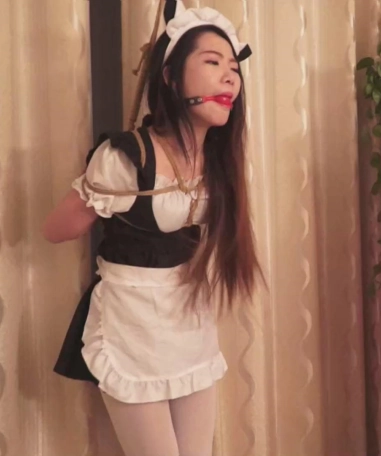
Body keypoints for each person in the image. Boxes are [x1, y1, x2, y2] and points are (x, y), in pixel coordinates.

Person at [41, 2, 260, 455]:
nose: (229, 77)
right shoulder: (127, 158)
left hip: (189, 319)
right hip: (132, 322)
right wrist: (96, 186)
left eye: (234, 68)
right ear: (171, 78)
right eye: (213, 62)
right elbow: (55, 230)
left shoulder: (219, 162)